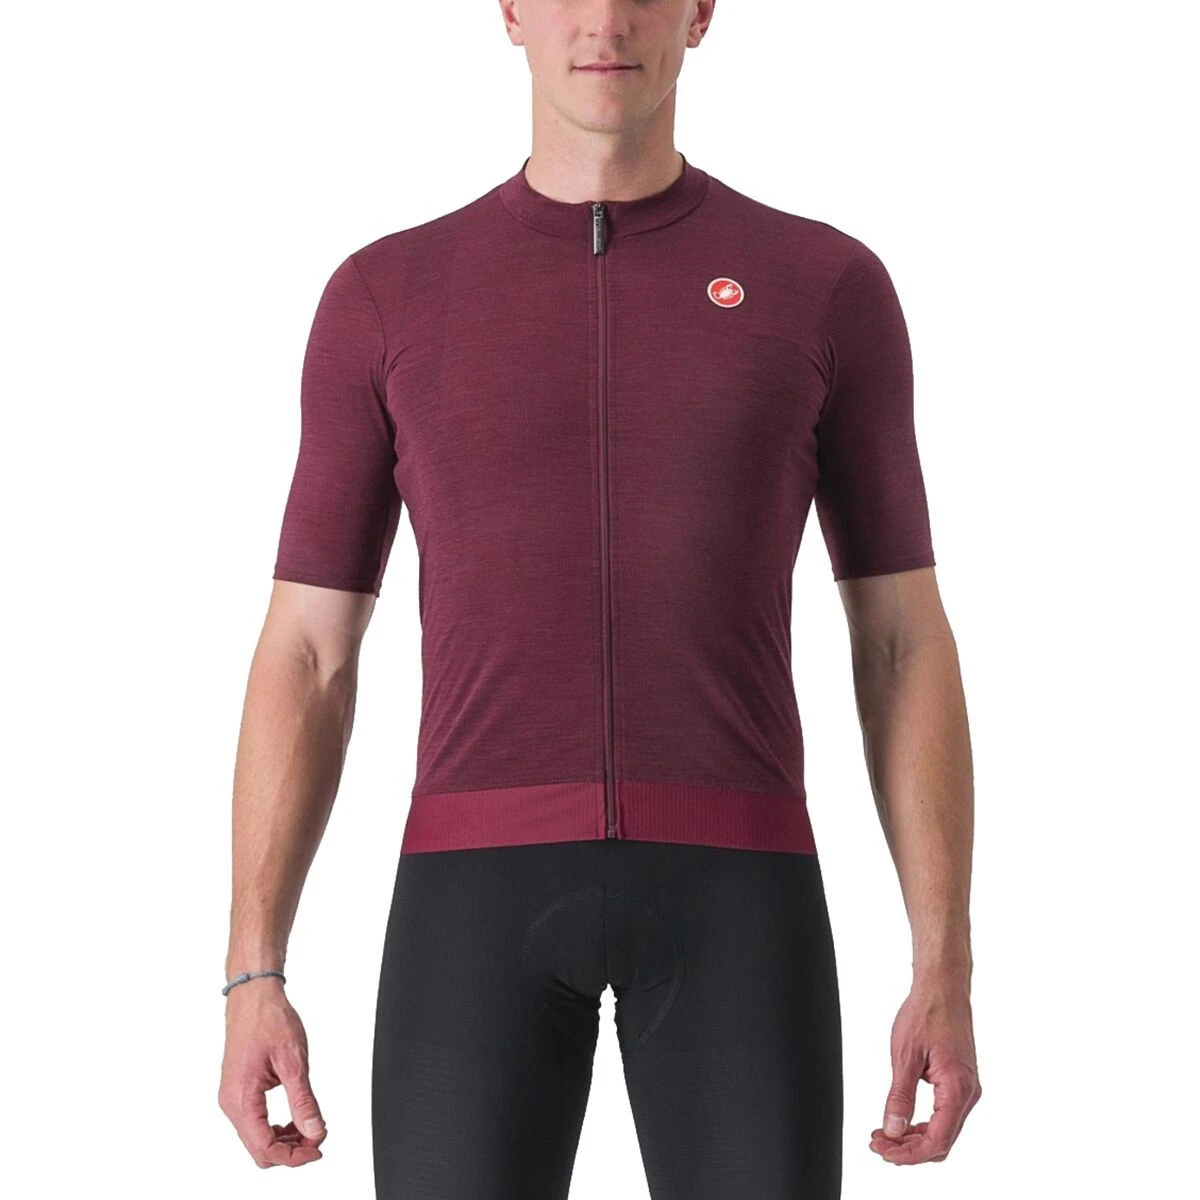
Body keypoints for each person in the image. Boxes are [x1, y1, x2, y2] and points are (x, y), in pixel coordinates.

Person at [218, 2, 981, 1195]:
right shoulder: (387, 296)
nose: (607, 18)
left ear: (701, 12)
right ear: (511, 12)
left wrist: (945, 964)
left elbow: (900, 641)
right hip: (471, 896)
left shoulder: (824, 286)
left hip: (741, 891)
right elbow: (308, 652)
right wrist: (252, 972)